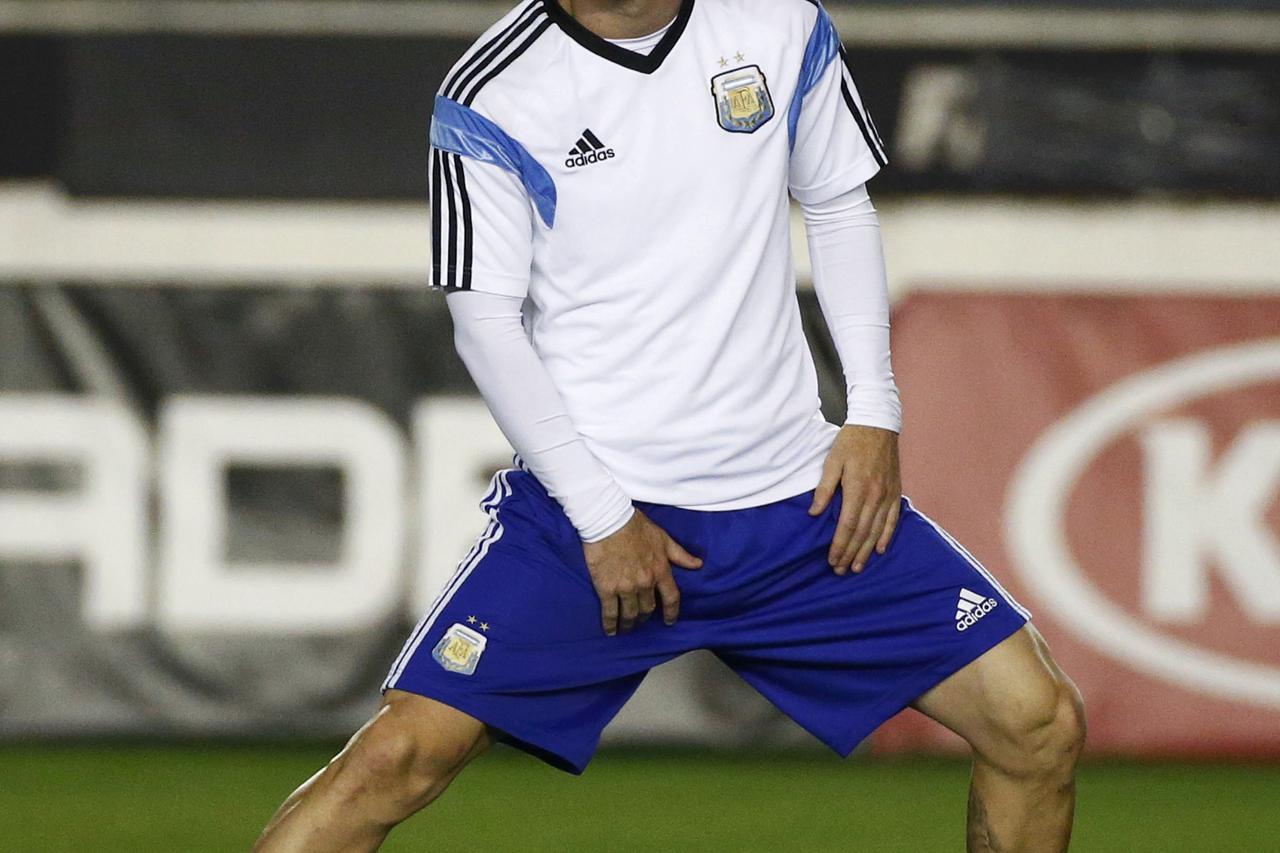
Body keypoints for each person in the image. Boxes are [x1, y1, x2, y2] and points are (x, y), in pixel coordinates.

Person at [254, 1, 1085, 850]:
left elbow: (838, 204)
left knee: (1037, 721)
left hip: (803, 509)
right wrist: (603, 515)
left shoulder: (778, 25)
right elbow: (486, 322)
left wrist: (874, 410)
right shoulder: (495, 89)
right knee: (396, 760)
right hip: (599, 521)